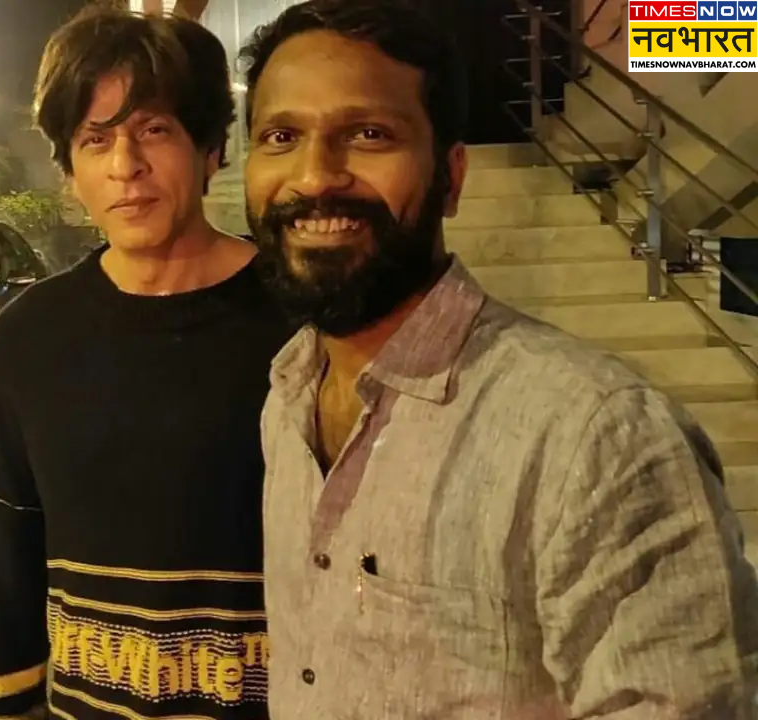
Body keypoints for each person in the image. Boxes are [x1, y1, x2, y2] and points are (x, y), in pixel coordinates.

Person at [240, 0, 758, 717]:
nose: (314, 175)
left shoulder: (596, 437)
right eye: (281, 136)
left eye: (368, 134)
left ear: (452, 178)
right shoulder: (287, 396)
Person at [0, 5, 291, 720]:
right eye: (95, 139)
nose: (124, 166)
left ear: (211, 149)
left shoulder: (301, 321)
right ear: (70, 171)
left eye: (154, 130)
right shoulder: (31, 336)